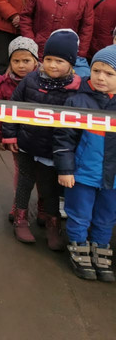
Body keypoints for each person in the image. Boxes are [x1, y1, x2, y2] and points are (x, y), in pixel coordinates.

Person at [2, 29, 81, 250]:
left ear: (71, 63)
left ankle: (52, 224)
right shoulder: (30, 81)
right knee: (25, 183)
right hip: (27, 143)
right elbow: (12, 109)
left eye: (59, 60)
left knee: (50, 188)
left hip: (53, 149)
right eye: (48, 59)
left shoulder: (76, 89)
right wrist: (9, 134)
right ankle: (20, 218)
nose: (52, 65)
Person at [55, 45, 116, 282]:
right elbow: (63, 138)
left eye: (109, 73)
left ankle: (101, 247)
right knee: (79, 214)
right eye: (97, 70)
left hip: (112, 179)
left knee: (106, 217)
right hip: (81, 174)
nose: (100, 77)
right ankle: (78, 245)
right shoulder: (77, 101)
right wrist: (66, 169)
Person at [0, 37, 40, 222]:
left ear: (35, 60)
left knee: (43, 172)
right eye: (16, 61)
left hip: (42, 136)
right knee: (22, 170)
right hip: (16, 137)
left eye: (26, 61)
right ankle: (19, 205)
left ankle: (43, 206)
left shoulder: (45, 81)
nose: (21, 65)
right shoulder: (2, 83)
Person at [19, 0, 93, 65]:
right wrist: (31, 40)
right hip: (39, 46)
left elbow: (87, 27)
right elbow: (26, 16)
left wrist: (80, 53)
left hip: (68, 48)